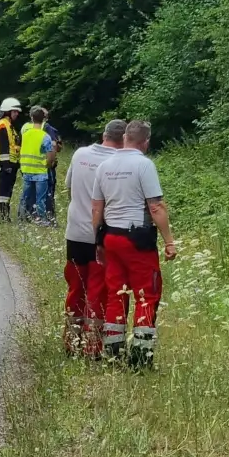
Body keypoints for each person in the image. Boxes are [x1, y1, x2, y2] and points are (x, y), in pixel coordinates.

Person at [92, 119, 177, 369]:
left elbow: (96, 208)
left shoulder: (104, 166)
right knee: (146, 295)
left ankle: (112, 352)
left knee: (115, 294)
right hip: (137, 239)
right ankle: (140, 358)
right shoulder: (144, 165)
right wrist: (169, 242)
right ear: (146, 142)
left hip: (111, 237)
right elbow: (156, 206)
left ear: (125, 137)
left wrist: (98, 241)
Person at [61, 119, 124, 358]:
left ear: (104, 134)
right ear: (124, 139)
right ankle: (93, 346)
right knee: (98, 291)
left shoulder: (80, 154)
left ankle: (71, 341)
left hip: (75, 233)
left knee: (75, 287)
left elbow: (68, 186)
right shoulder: (118, 163)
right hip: (101, 236)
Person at [0, 97, 23, 222]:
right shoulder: (3, 125)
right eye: (14, 111)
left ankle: (5, 215)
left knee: (8, 190)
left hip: (11, 163)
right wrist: (6, 165)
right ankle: (2, 217)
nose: (17, 114)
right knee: (3, 191)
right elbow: (3, 147)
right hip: (6, 163)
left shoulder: (9, 125)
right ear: (8, 111)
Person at [18, 106, 56, 224]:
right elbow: (50, 156)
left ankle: (21, 217)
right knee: (40, 199)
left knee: (25, 196)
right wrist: (47, 164)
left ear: (32, 118)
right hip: (40, 172)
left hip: (26, 169)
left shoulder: (25, 134)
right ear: (44, 119)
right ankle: (41, 219)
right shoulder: (45, 136)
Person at [44, 118, 63, 217]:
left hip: (47, 164)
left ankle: (49, 212)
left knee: (49, 189)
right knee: (49, 189)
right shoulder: (49, 129)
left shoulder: (50, 129)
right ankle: (49, 213)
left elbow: (58, 146)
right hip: (47, 164)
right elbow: (57, 146)